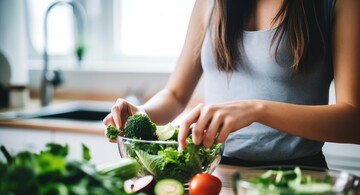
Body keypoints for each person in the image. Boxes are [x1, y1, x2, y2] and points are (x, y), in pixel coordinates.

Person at [103, 0, 360, 168]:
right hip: (213, 175)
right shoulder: (210, 3)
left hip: (298, 176)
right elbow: (175, 94)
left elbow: (354, 121)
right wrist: (143, 114)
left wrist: (257, 110)